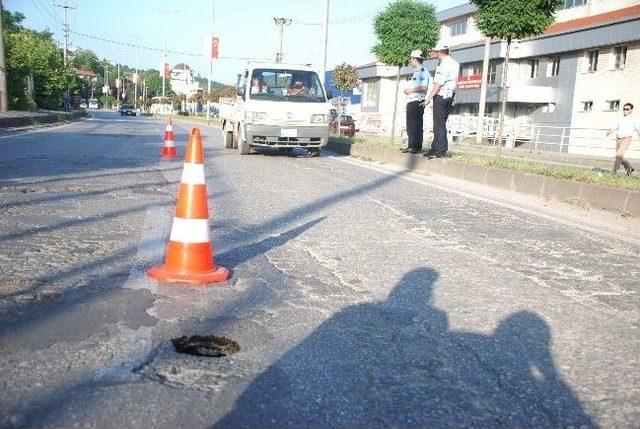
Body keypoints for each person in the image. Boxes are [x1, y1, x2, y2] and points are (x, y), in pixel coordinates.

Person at [421, 41, 460, 159]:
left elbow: (438, 84)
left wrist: (428, 98)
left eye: (437, 51)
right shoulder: (455, 63)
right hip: (450, 96)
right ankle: (435, 147)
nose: (436, 53)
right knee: (441, 122)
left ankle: (439, 150)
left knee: (438, 123)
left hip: (441, 96)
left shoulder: (444, 64)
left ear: (441, 52)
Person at [401, 50, 429, 154]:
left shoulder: (423, 71)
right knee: (410, 125)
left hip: (418, 101)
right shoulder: (416, 72)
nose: (410, 61)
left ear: (414, 59)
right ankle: (411, 145)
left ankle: (417, 147)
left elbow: (424, 88)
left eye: (411, 59)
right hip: (411, 100)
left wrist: (410, 90)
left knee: (416, 124)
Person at [607, 102, 639, 175]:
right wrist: (609, 132)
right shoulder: (620, 119)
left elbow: (638, 129)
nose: (625, 110)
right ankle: (629, 168)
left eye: (627, 109)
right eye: (624, 109)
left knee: (619, 155)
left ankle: (614, 172)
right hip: (618, 139)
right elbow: (615, 127)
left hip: (627, 138)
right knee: (619, 157)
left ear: (631, 110)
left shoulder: (633, 119)